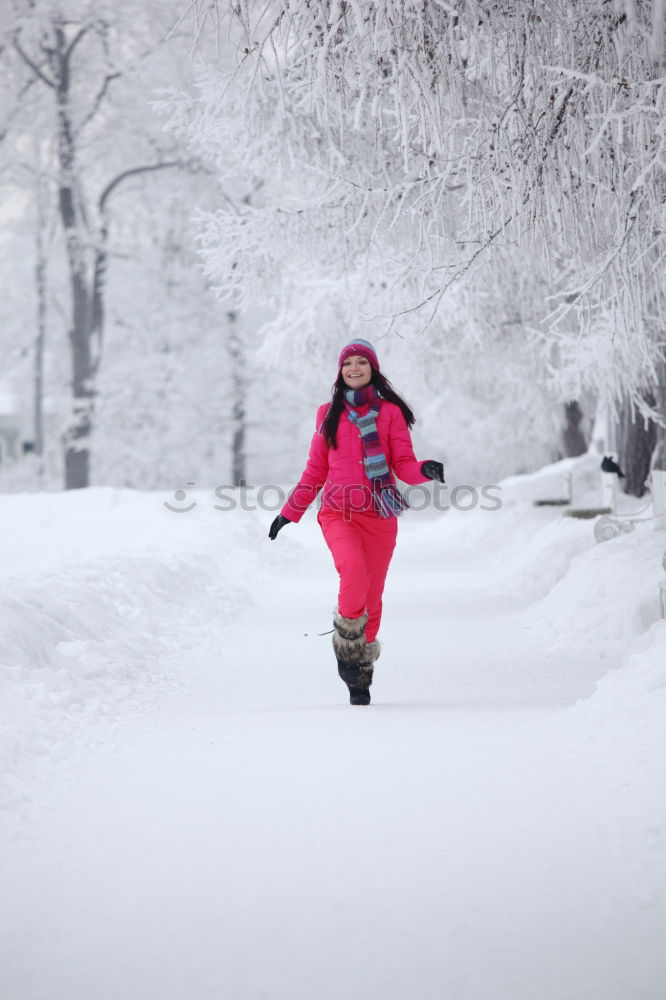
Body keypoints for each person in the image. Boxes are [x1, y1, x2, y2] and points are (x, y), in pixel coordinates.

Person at [268, 339, 444, 705]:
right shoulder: (327, 413)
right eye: (349, 363)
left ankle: (361, 669)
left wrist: (424, 470)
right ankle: (346, 651)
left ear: (372, 369)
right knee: (354, 573)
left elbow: (403, 465)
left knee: (372, 595)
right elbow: (315, 470)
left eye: (362, 362)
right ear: (340, 371)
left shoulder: (391, 413)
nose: (354, 368)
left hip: (380, 514)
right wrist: (290, 512)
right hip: (337, 512)